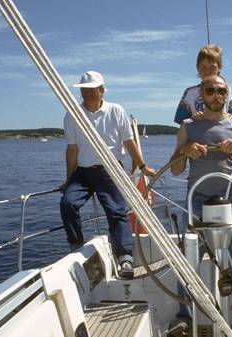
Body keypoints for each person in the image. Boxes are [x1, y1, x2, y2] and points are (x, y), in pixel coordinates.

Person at [168, 75, 232, 337]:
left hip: (231, 201)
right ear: (202, 94)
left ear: (227, 94)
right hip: (197, 202)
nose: (215, 95)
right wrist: (185, 150)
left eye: (220, 90)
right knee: (187, 261)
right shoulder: (188, 126)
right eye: (210, 90)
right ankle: (184, 319)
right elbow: (176, 170)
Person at [59, 70, 155, 279]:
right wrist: (68, 180)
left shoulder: (116, 111)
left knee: (116, 211)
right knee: (68, 204)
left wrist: (142, 166)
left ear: (102, 91)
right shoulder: (72, 115)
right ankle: (76, 247)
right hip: (83, 172)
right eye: (85, 91)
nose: (90, 94)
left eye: (94, 90)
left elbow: (129, 142)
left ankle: (125, 258)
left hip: (111, 170)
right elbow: (72, 150)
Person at [173, 44, 232, 124]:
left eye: (212, 67)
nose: (208, 71)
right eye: (204, 67)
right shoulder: (190, 93)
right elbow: (181, 121)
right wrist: (193, 118)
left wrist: (230, 117)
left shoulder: (226, 90)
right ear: (197, 68)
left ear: (220, 67)